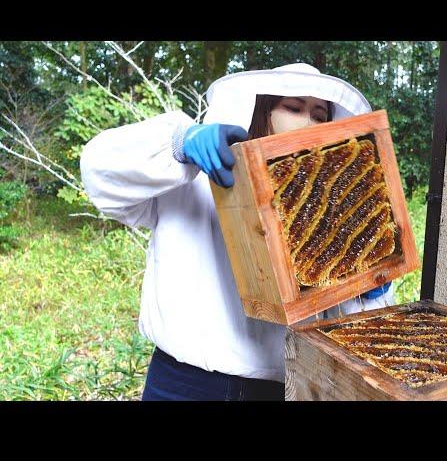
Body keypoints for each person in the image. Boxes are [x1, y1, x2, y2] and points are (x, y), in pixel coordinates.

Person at [80, 63, 394, 401]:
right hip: (184, 386)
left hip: (282, 388)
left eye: (319, 114)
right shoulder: (191, 176)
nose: (308, 122)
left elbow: (344, 329)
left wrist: (369, 290)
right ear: (261, 109)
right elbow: (99, 172)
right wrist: (181, 146)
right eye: (293, 107)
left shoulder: (324, 212)